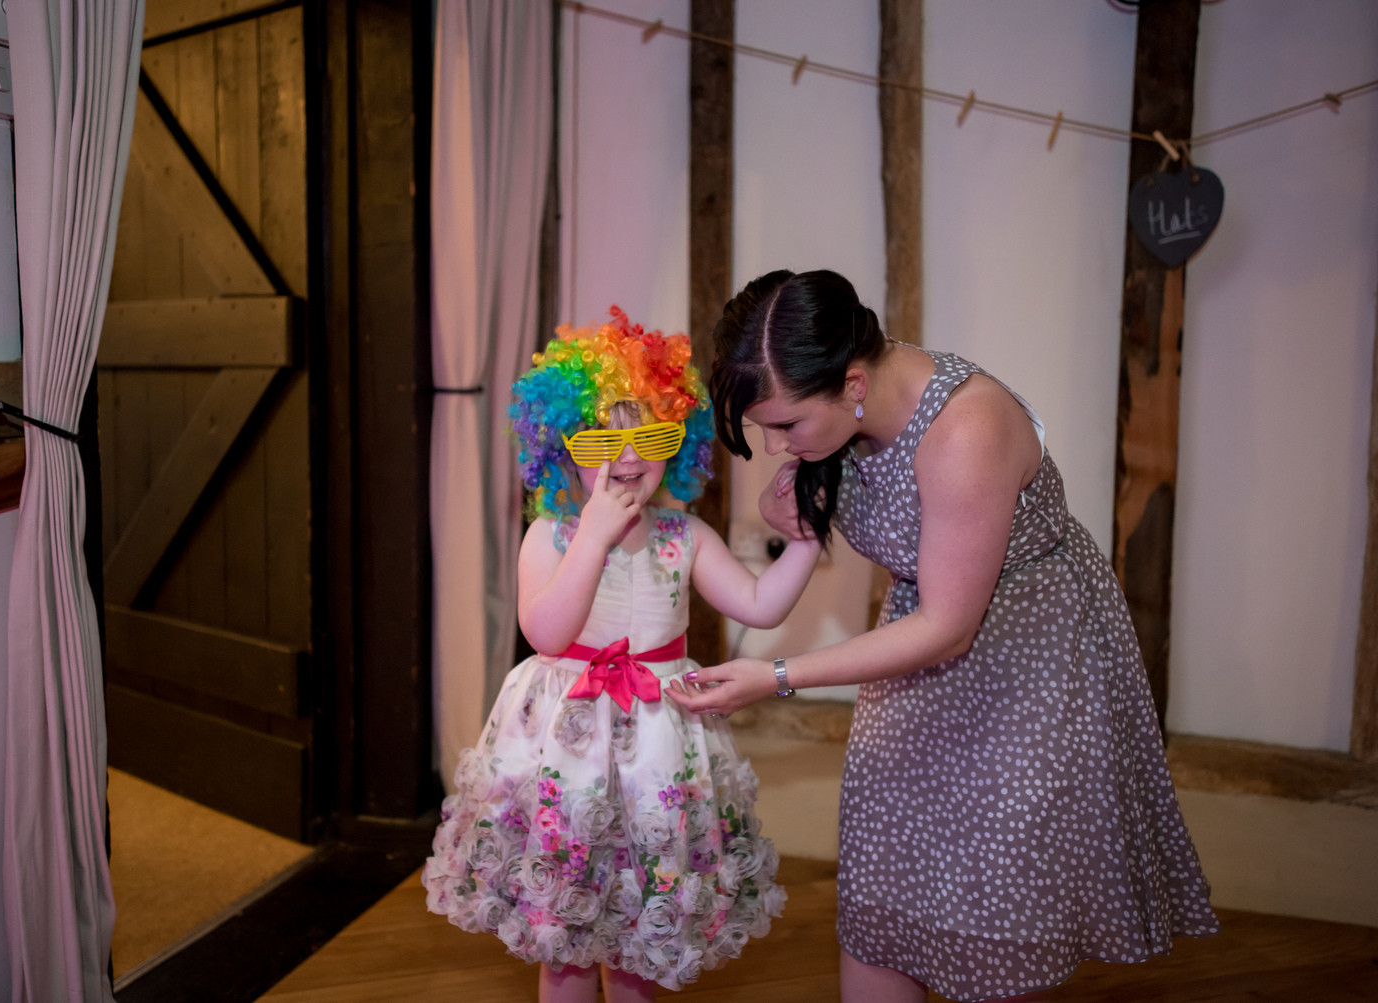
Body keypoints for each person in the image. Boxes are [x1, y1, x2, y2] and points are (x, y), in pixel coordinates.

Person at [666, 270, 1219, 1002]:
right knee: (885, 885)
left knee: (991, 895)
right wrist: (797, 500)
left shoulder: (967, 428)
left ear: (853, 380)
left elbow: (949, 626)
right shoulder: (844, 414)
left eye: (786, 424)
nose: (774, 445)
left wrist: (775, 675)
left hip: (1027, 661)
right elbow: (839, 527)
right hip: (918, 652)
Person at [422, 308, 822, 1002]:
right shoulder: (550, 534)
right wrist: (593, 538)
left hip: (656, 760)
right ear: (561, 443)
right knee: (568, 943)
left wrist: (809, 541)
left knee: (641, 937)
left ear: (682, 441)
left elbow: (760, 605)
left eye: (652, 434)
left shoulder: (684, 535)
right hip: (566, 758)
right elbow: (547, 633)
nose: (627, 456)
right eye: (602, 436)